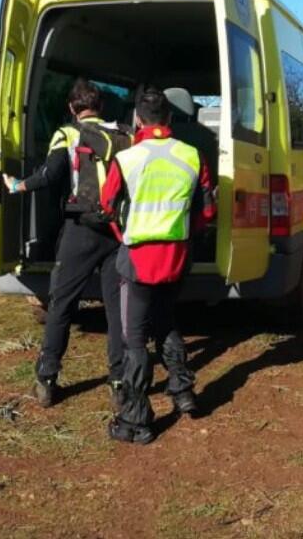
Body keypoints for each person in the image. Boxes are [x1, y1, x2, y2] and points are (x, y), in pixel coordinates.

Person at [2, 77, 130, 408]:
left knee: (62, 304)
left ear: (72, 108)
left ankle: (47, 379)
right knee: (116, 311)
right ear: (99, 107)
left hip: (81, 229)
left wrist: (18, 185)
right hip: (116, 230)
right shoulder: (124, 135)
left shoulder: (67, 133)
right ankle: (119, 382)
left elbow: (51, 175)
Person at [100, 86, 216, 444]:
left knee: (134, 338)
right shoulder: (193, 156)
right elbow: (208, 210)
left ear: (138, 119)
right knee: (166, 322)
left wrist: (122, 232)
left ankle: (137, 420)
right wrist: (184, 233)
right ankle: (183, 392)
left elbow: (107, 205)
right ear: (170, 119)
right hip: (177, 257)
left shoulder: (127, 158)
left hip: (137, 259)